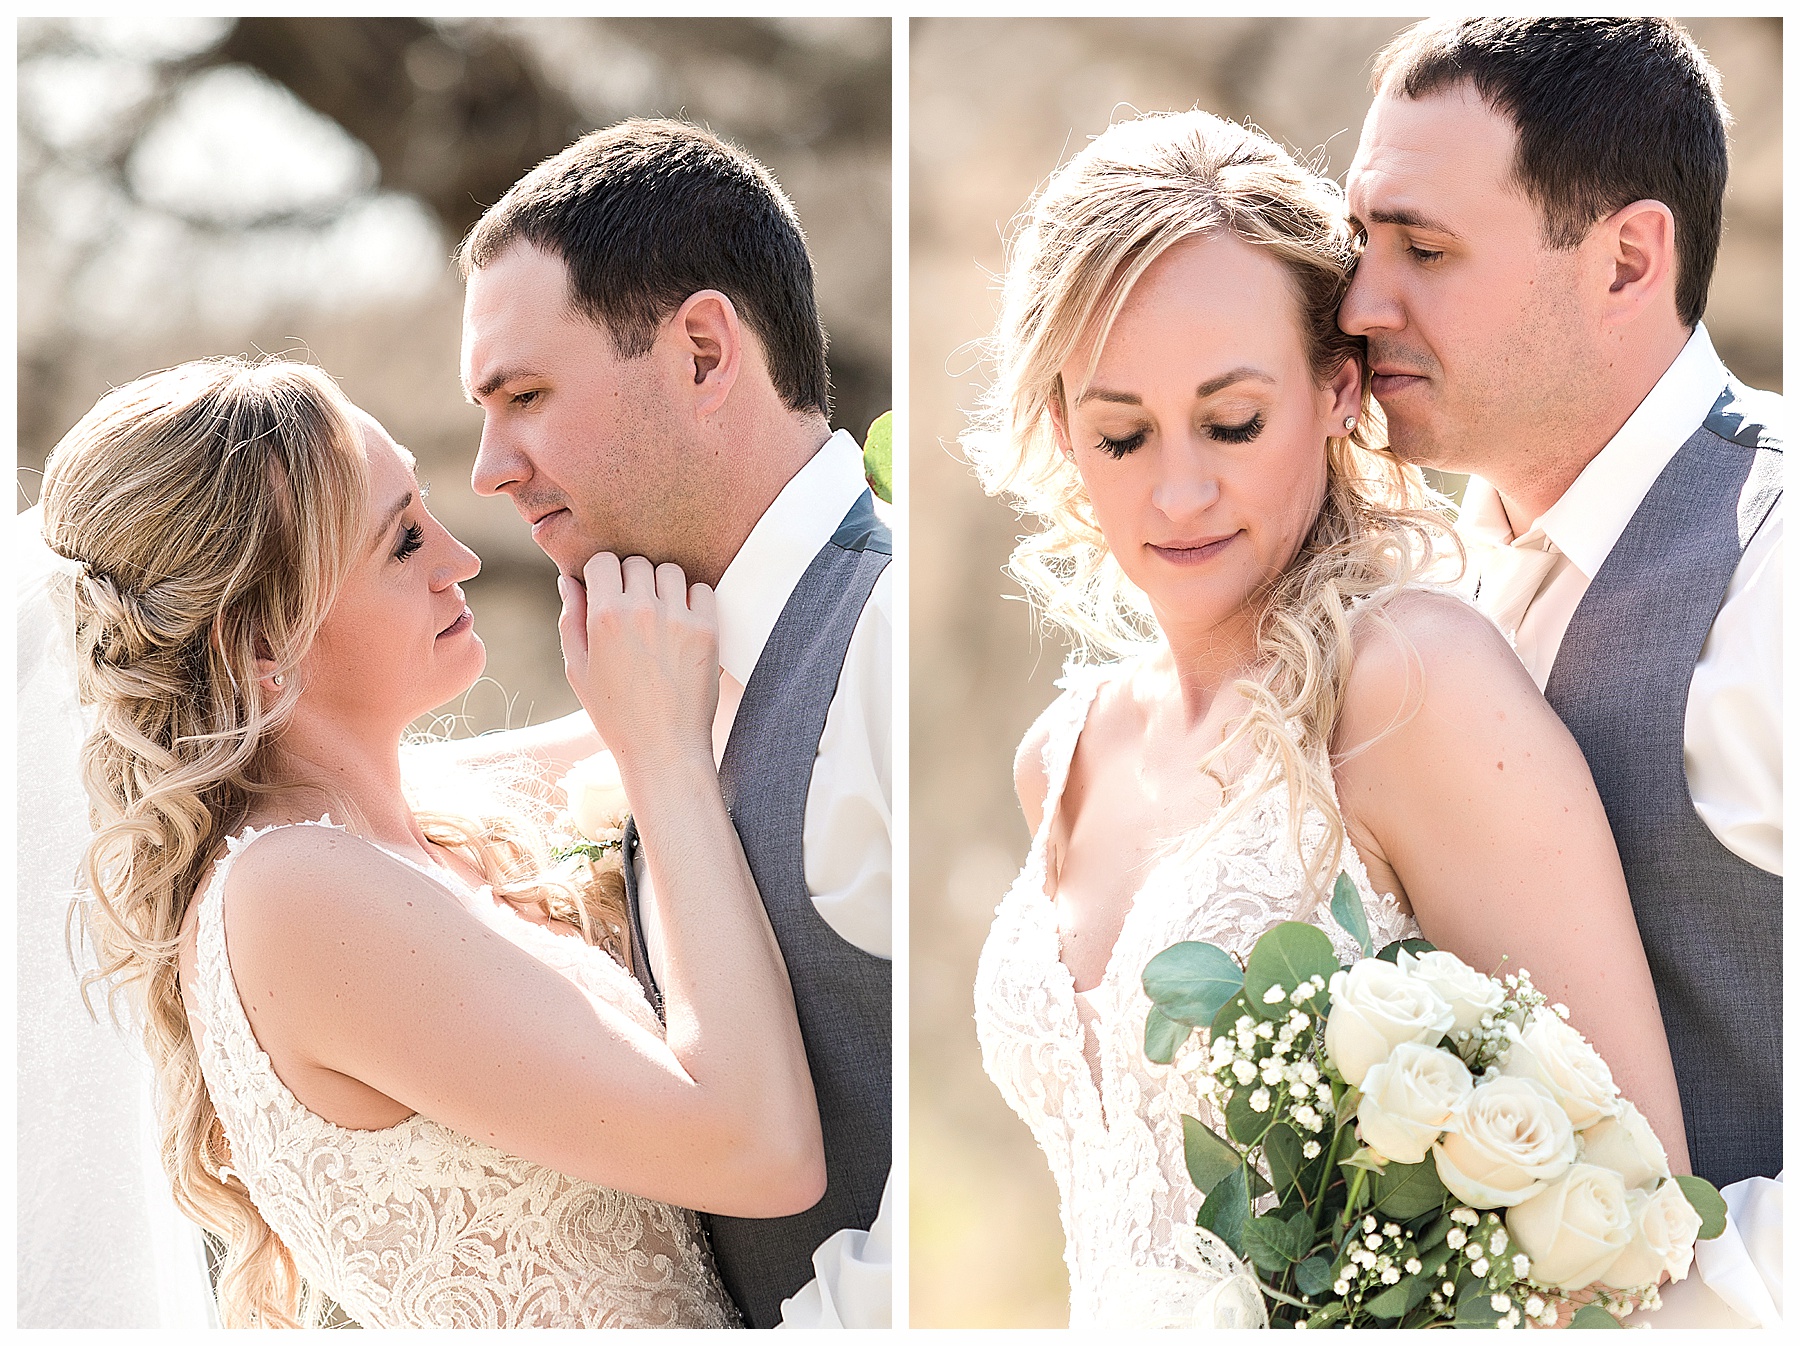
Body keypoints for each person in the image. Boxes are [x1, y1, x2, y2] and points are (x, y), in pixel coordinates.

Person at [965, 109, 1688, 1329]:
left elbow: (1635, 1213)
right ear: (1059, 430)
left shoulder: (1410, 683)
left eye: (1233, 421)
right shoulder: (1062, 752)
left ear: (1337, 389)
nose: (1179, 490)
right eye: (1122, 433)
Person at [40, 358, 823, 1328]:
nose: (461, 557)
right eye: (403, 539)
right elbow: (761, 1147)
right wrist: (660, 756)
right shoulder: (292, 894)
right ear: (259, 644)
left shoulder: (402, 821)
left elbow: (704, 681)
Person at [455, 118, 893, 1329]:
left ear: (703, 352)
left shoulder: (890, 633)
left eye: (527, 395)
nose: (492, 466)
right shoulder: (662, 672)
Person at [1340, 16, 1780, 1197]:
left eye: (1423, 250)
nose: (1360, 303)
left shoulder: (1778, 566)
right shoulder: (1410, 593)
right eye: (1357, 241)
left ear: (1627, 262)